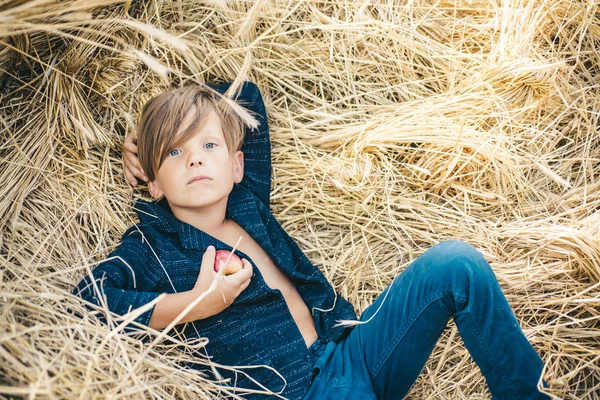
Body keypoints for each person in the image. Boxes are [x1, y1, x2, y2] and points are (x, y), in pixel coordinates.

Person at [74, 81, 550, 399]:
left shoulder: (247, 199)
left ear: (236, 165)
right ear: (153, 182)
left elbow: (245, 95)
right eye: (173, 152)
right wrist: (198, 303)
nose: (194, 159)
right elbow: (88, 303)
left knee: (457, 263)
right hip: (302, 392)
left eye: (208, 145)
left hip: (353, 346)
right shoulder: (151, 243)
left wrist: (154, 130)